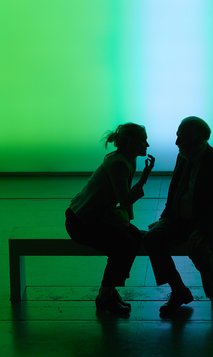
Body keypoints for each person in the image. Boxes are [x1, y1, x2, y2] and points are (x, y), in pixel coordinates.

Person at [143, 117, 213, 317]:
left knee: (200, 248)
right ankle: (179, 290)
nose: (177, 143)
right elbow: (175, 191)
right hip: (178, 219)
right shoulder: (183, 156)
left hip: (205, 224)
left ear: (198, 139)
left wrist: (202, 230)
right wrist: (165, 218)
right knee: (151, 239)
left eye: (181, 138)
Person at [65, 123, 155, 314]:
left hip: (95, 217)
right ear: (131, 143)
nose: (147, 144)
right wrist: (144, 178)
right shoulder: (119, 163)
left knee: (134, 238)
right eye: (143, 140)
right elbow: (124, 199)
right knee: (122, 245)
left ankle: (110, 290)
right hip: (81, 223)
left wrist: (126, 224)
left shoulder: (128, 160)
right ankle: (104, 296)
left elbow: (124, 199)